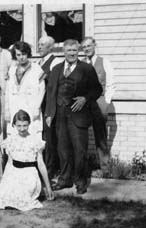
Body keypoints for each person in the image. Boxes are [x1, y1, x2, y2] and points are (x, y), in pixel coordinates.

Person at [45, 39, 103, 194]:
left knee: (79, 150)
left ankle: (81, 181)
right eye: (69, 50)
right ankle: (65, 179)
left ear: (78, 52)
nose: (71, 53)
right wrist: (50, 114)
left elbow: (97, 90)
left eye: (74, 50)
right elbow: (51, 93)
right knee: (62, 149)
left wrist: (85, 98)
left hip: (79, 115)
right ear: (63, 52)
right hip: (60, 116)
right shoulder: (56, 69)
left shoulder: (86, 69)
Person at [0, 110, 54, 211]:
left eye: (25, 125)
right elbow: (9, 164)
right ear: (14, 125)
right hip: (14, 173)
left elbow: (41, 164)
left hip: (29, 174)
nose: (22, 129)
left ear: (29, 124)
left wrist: (48, 187)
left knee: (22, 196)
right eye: (19, 126)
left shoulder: (35, 140)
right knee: (4, 196)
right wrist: (4, 183)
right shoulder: (11, 140)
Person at [82, 37, 116, 177]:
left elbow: (111, 84)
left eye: (89, 46)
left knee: (100, 135)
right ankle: (83, 169)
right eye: (84, 47)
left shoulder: (104, 62)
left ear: (95, 45)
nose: (87, 49)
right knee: (81, 135)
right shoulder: (81, 64)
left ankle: (105, 169)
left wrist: (106, 101)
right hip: (84, 103)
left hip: (99, 101)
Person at [5, 41, 45, 136]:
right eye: (18, 55)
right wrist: (6, 109)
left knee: (32, 133)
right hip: (14, 105)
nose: (21, 57)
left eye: (24, 54)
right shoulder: (12, 69)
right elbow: (7, 91)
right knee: (14, 133)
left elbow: (42, 90)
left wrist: (37, 107)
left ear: (28, 54)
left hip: (31, 106)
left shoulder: (36, 69)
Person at [37, 36, 62, 181]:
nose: (40, 47)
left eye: (43, 45)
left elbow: (53, 87)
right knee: (41, 136)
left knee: (50, 138)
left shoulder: (55, 62)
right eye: (39, 44)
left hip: (48, 104)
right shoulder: (38, 62)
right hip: (38, 104)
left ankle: (51, 169)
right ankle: (42, 167)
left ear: (51, 47)